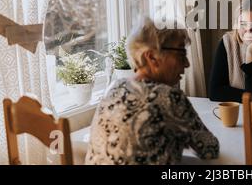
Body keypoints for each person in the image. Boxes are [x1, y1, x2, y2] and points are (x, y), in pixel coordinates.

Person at [85, 17, 219, 165]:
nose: (187, 64)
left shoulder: (113, 88)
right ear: (152, 57)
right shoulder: (169, 97)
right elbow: (210, 148)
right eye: (181, 54)